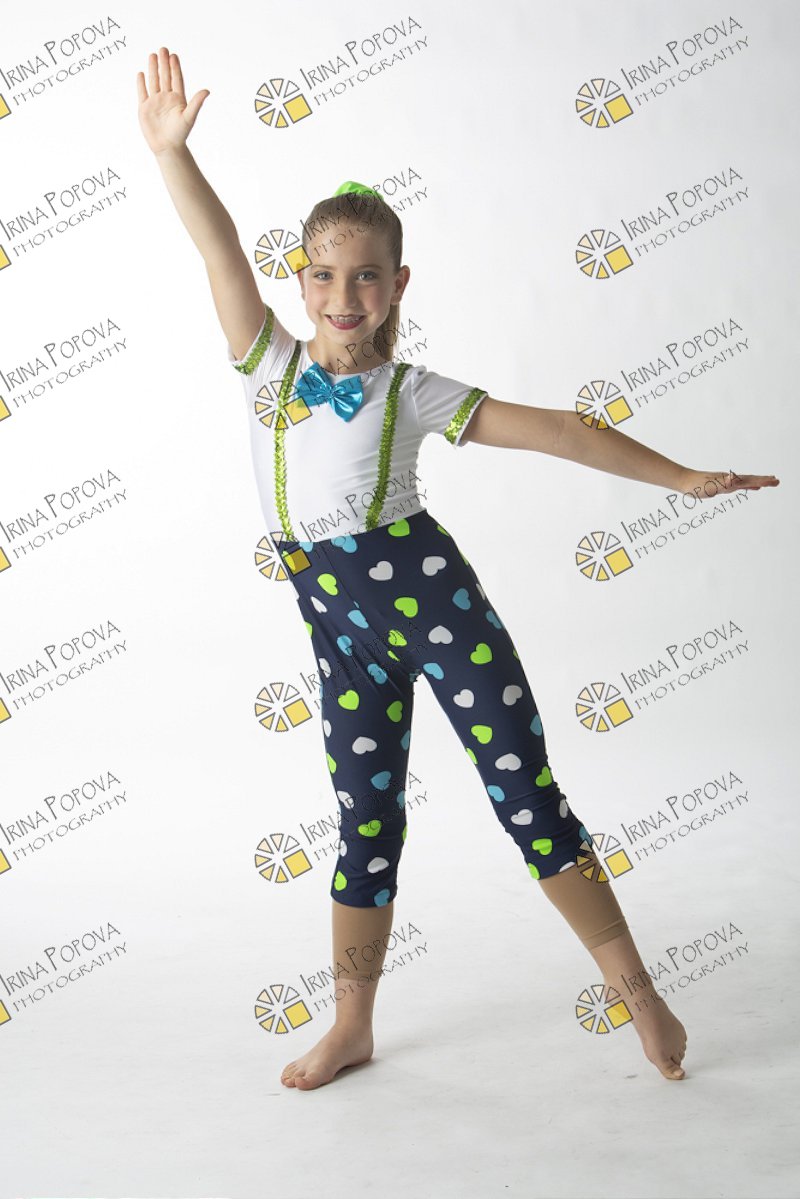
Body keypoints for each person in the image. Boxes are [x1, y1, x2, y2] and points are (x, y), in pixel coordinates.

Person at [137, 46, 780, 1092]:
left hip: (437, 608)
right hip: (341, 632)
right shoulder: (267, 364)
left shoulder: (411, 390)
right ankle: (352, 1023)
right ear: (299, 282)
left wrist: (680, 478)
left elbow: (562, 429)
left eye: (366, 274)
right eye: (323, 274)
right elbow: (214, 246)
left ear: (397, 284)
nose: (344, 293)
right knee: (363, 820)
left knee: (525, 796)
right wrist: (173, 155)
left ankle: (640, 995)